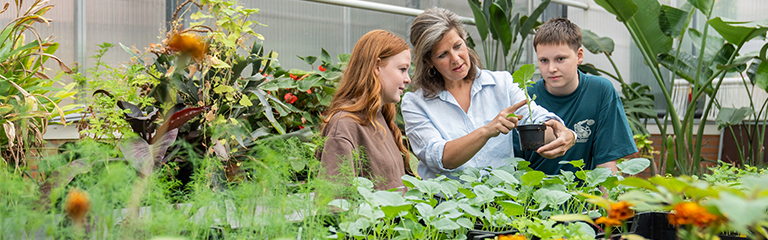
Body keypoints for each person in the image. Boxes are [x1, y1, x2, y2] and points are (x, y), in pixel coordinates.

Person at [401, 8, 577, 180]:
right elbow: (440, 158)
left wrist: (562, 133)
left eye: (458, 46)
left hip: (501, 201)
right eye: (442, 55)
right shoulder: (415, 103)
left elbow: (535, 118)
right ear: (429, 61)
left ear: (465, 41)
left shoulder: (501, 84)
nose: (455, 58)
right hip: (447, 205)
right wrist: (486, 131)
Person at [514, 18, 637, 175]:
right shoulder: (525, 97)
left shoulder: (600, 91)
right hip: (531, 197)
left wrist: (608, 200)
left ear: (579, 56)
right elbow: (514, 164)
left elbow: (606, 162)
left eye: (560, 59)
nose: (551, 68)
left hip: (582, 198)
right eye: (544, 60)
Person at [317, 30, 412, 191]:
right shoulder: (344, 126)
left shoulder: (380, 118)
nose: (408, 79)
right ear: (376, 67)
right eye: (402, 69)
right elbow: (335, 207)